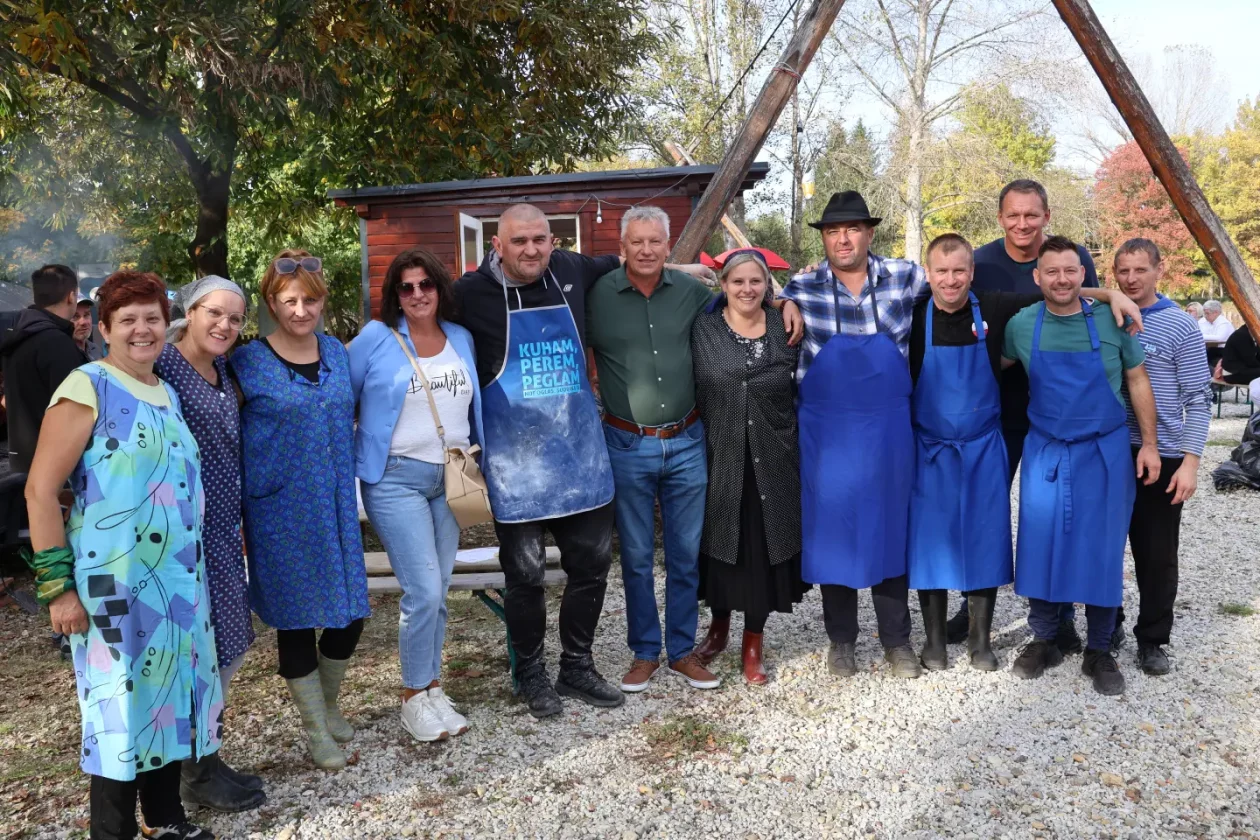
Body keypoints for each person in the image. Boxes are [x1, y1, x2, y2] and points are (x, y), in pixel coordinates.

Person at [25, 271, 219, 840]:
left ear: (167, 325)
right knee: (117, 713)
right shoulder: (86, 386)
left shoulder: (166, 391)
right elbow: (40, 491)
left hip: (176, 583)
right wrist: (56, 587)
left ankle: (166, 821)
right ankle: (113, 833)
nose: (142, 330)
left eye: (153, 318)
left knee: (163, 699)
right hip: (112, 587)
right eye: (127, 320)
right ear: (103, 328)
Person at [909, 236, 1141, 670]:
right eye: (941, 271)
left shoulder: (996, 308)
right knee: (929, 541)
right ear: (928, 274)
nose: (951, 279)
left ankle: (982, 641)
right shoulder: (913, 313)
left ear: (972, 272)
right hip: (931, 447)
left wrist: (1110, 293)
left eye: (960, 270)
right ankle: (935, 641)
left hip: (982, 444)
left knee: (984, 537)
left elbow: (1060, 293)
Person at [451, 204, 624, 718]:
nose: (531, 250)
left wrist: (697, 271)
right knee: (524, 578)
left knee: (591, 568)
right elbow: (417, 323)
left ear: (553, 242)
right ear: (497, 246)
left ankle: (577, 666)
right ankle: (530, 675)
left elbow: (636, 264)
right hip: (516, 468)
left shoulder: (571, 269)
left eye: (540, 240)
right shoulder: (467, 294)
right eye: (519, 241)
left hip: (579, 460)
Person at [1003, 236, 1162, 697]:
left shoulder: (1112, 321)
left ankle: (1099, 648)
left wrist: (1149, 444)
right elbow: (988, 368)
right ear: (1038, 277)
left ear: (1083, 275)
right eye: (1051, 272)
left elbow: (1137, 379)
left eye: (1071, 271)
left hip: (1104, 451)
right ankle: (1047, 637)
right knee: (1040, 542)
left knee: (1101, 548)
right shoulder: (1022, 324)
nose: (1061, 279)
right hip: (1046, 450)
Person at [779, 190, 929, 679]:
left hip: (888, 430)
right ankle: (841, 640)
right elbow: (738, 286)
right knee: (832, 534)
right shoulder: (799, 288)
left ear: (869, 233)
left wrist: (1102, 292)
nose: (841, 239)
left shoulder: (906, 277)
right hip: (827, 435)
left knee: (891, 529)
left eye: (851, 229)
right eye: (831, 231)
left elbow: (964, 283)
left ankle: (896, 641)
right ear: (823, 237)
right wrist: (778, 299)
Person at [233, 250, 369, 770]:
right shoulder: (247, 362)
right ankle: (315, 730)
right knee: (295, 623)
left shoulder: (335, 351)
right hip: (279, 511)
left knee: (351, 613)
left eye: (309, 300)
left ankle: (328, 705)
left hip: (335, 506)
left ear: (322, 301)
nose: (299, 310)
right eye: (289, 300)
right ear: (271, 301)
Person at [949, 180, 1100, 648]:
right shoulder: (982, 263)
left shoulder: (1069, 258)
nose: (1022, 224)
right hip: (994, 411)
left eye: (1031, 215)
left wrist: (1111, 296)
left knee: (1059, 517)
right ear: (1000, 218)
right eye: (1013, 215)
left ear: (1046, 215)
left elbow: (1085, 306)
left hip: (1056, 416)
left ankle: (1063, 613)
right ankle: (973, 610)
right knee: (983, 511)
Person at [586, 206, 724, 693]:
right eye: (636, 242)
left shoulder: (691, 293)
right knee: (639, 557)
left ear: (669, 247)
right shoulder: (596, 295)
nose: (646, 250)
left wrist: (782, 303)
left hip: (687, 441)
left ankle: (682, 651)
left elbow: (741, 308)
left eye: (655, 242)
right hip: (625, 443)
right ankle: (645, 651)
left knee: (685, 555)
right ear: (622, 248)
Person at [350, 249, 482, 741]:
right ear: (394, 296)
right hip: (395, 478)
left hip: (450, 476)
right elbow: (343, 397)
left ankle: (431, 687)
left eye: (425, 284)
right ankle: (411, 697)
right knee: (423, 590)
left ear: (439, 288)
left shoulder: (461, 338)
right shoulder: (375, 339)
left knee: (439, 590)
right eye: (406, 287)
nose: (418, 294)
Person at [154, 277, 265, 812]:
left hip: (221, 529)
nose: (225, 326)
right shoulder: (163, 367)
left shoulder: (222, 368)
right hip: (179, 535)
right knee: (193, 652)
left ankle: (204, 755)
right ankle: (192, 768)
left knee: (229, 644)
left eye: (235, 319)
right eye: (214, 314)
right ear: (190, 311)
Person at [690, 251, 806, 685]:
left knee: (762, 551)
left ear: (768, 285)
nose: (747, 289)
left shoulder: (786, 325)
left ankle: (752, 640)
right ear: (723, 285)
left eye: (756, 281)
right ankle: (718, 627)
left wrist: (787, 302)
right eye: (737, 281)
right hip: (720, 454)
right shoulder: (703, 328)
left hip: (774, 457)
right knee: (721, 545)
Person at [1112, 239, 1212, 674]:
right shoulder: (1107, 316)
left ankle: (1152, 637)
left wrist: (1191, 461)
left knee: (1155, 552)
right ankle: (1106, 623)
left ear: (1159, 270)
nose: (1131, 279)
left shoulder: (1180, 326)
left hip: (1165, 453)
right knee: (1106, 544)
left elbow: (1199, 397)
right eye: (1123, 271)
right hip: (1113, 447)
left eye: (1140, 270)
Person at [0, 264, 90, 472]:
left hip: (21, 462)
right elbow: (76, 415)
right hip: (56, 469)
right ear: (71, 296)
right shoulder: (57, 344)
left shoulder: (18, 337)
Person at [72, 293, 101, 360]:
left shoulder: (95, 349)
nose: (83, 322)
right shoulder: (61, 354)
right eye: (75, 316)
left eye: (86, 315)